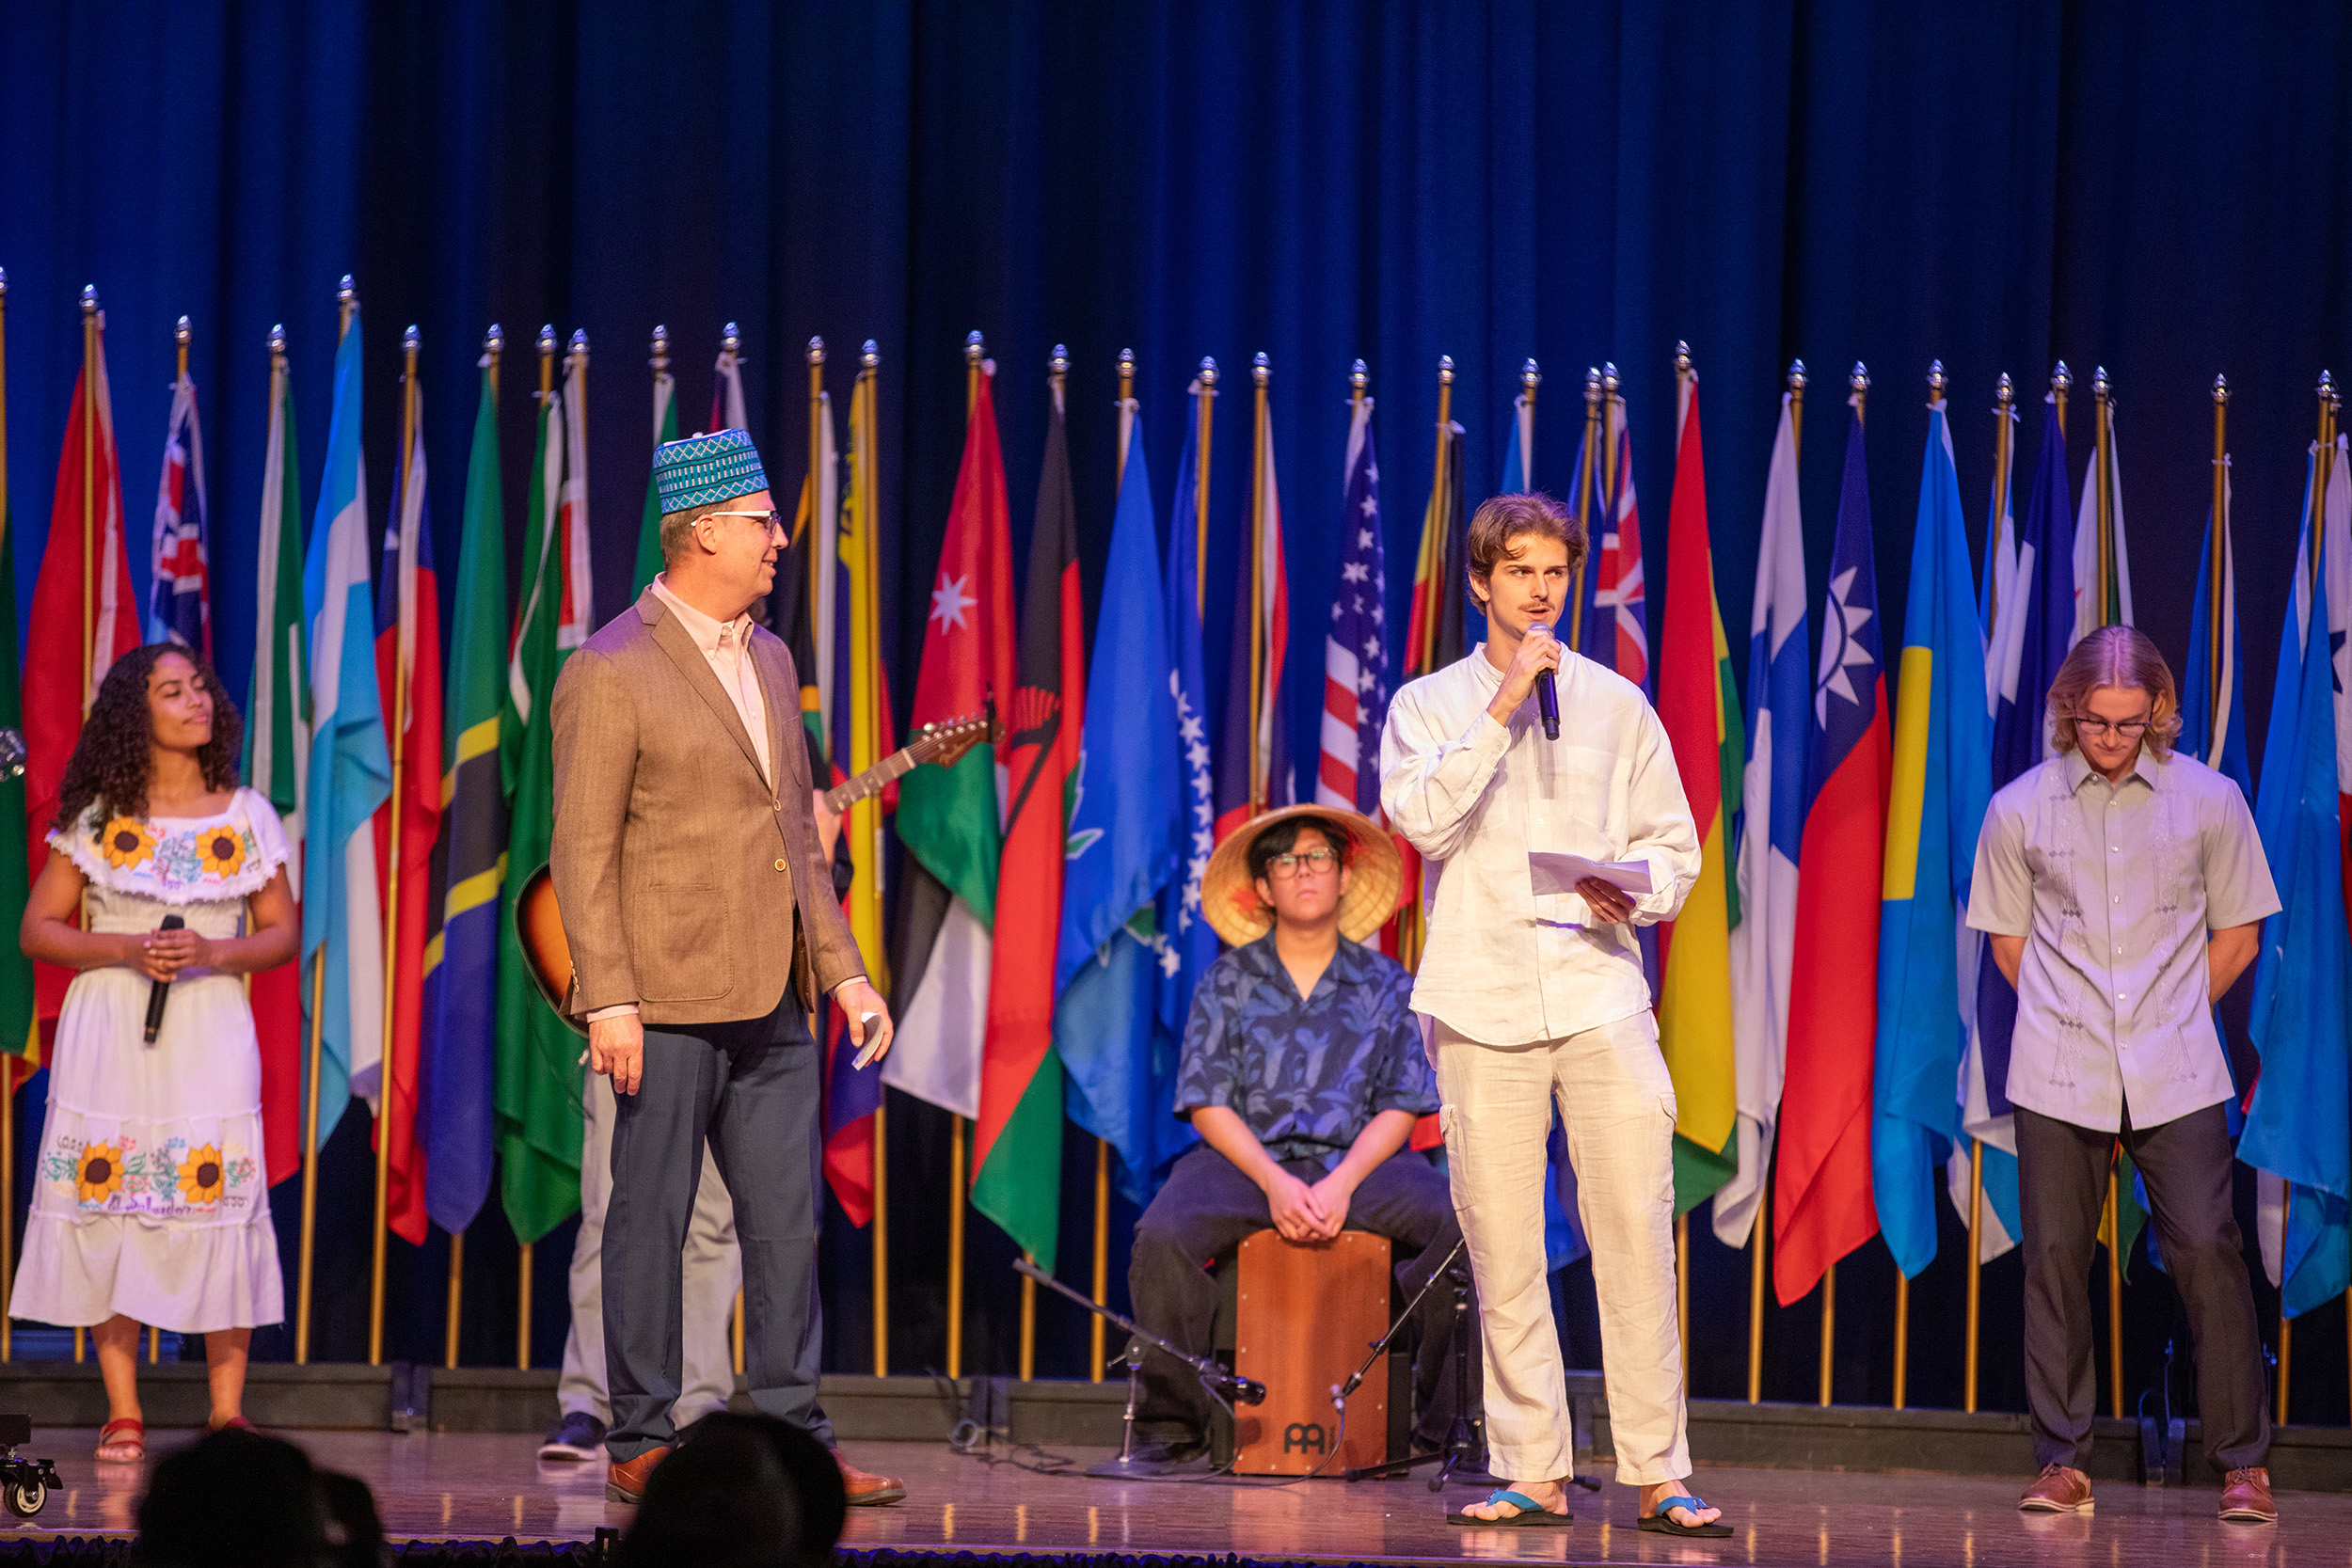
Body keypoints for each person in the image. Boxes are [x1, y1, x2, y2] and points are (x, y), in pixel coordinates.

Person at [549, 428, 902, 1508]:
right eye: (760, 521)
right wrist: (607, 995)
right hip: (659, 998)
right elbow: (582, 850)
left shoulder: (772, 655)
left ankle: (795, 1428)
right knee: (646, 1223)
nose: (778, 539)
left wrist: (842, 971)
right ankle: (642, 1433)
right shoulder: (609, 666)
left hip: (773, 998)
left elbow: (798, 831)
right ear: (702, 530)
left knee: (784, 1224)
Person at [1380, 493, 1724, 1536]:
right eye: (1517, 570)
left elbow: (1675, 844)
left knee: (1630, 1228)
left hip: (1597, 986)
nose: (1538, 589)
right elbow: (1424, 821)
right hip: (1481, 996)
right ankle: (1531, 1463)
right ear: (1481, 582)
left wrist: (1639, 886)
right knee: (1504, 1240)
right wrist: (1500, 708)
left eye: (1553, 572)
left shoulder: (1616, 702)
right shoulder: (1429, 704)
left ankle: (1659, 1469)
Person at [1970, 626, 2280, 1524]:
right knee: (2057, 1259)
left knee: (2206, 1250)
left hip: (2176, 1063)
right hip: (2058, 1065)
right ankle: (2064, 1460)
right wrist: (2078, 1018)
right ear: (2069, 711)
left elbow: (2240, 933)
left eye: (2131, 724)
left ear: (2158, 713)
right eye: (2098, 722)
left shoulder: (2211, 800)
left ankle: (2241, 1463)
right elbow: (2007, 940)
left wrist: (2168, 1008)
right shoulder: (2020, 807)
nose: (2113, 740)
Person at [1124, 805, 1475, 1467]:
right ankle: (1171, 1425)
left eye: (1318, 857)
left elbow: (1402, 1103)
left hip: (1360, 1164)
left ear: (1345, 877)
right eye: (1285, 861)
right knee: (1161, 1234)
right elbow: (1205, 1100)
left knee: (1457, 1221)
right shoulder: (1227, 980)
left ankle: (1447, 1427)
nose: (1303, 871)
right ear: (1262, 887)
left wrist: (1341, 1182)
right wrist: (1274, 1181)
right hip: (1247, 1164)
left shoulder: (1387, 983)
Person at [15, 644, 297, 1465]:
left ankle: (225, 1408)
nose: (195, 699)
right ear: (134, 715)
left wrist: (215, 955)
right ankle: (124, 1407)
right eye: (172, 690)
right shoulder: (100, 816)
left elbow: (280, 933)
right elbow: (39, 928)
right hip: (113, 1024)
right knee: (115, 1197)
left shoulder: (245, 813)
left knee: (214, 1192)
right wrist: (129, 946)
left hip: (208, 1024)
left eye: (200, 686)